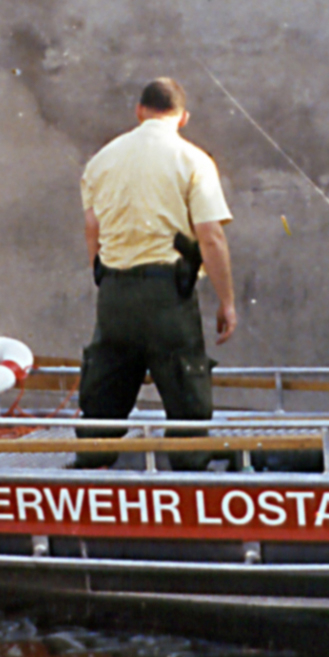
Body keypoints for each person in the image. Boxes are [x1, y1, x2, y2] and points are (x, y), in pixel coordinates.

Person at [77, 77, 237, 469]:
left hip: (114, 295)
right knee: (187, 402)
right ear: (183, 117)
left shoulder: (102, 160)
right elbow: (211, 237)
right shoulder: (193, 160)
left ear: (138, 111)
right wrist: (227, 302)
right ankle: (190, 473)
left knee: (104, 395)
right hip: (169, 298)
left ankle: (90, 470)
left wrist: (104, 272)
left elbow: (92, 227)